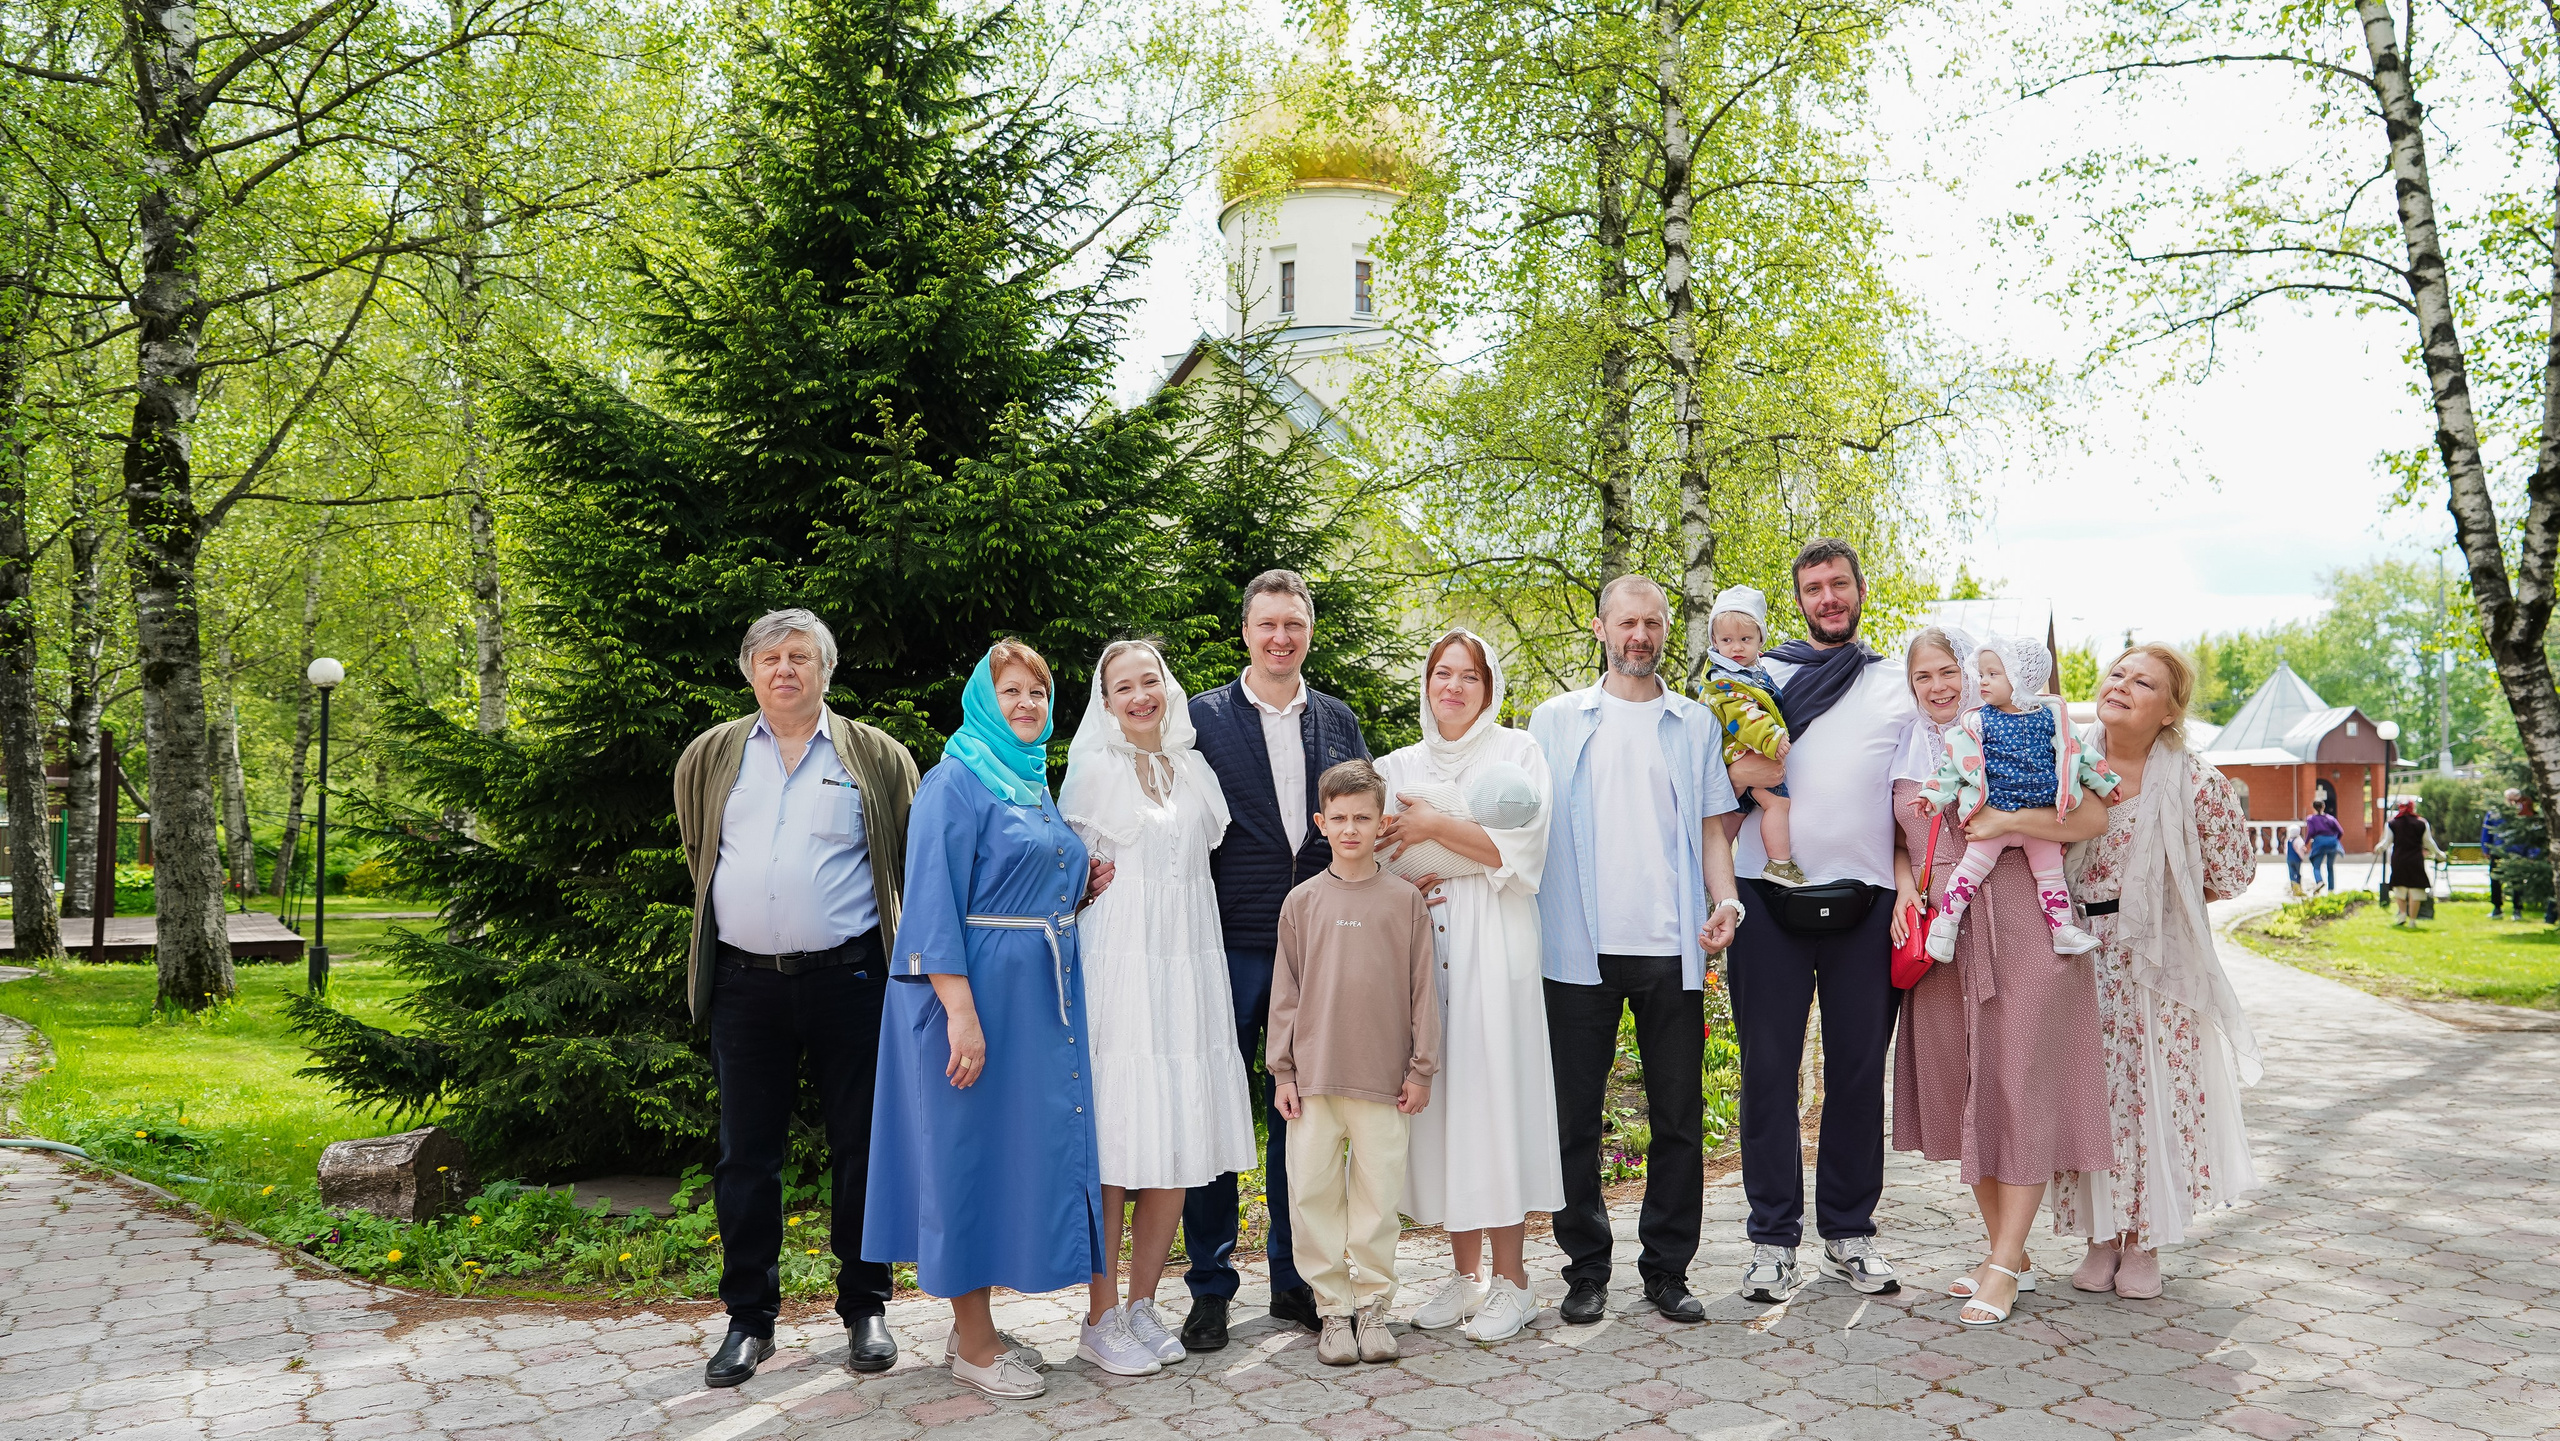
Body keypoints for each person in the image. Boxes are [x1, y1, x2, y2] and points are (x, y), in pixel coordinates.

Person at [865, 641, 1116, 1402]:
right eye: (1011, 692)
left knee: (1005, 1155)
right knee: (964, 1157)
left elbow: (1014, 880)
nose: (1027, 705)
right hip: (968, 996)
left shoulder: (1030, 782)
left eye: (1038, 693)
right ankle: (975, 1345)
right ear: (984, 699)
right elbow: (931, 902)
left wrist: (1075, 891)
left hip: (1031, 996)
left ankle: (973, 1331)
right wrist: (961, 1014)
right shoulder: (954, 780)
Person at [674, 610, 919, 1386]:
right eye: (770, 657)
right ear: (750, 670)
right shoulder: (712, 755)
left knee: (862, 1147)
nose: (785, 669)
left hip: (853, 980)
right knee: (747, 1155)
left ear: (825, 669)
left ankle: (866, 1305)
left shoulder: (874, 755)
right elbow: (700, 847)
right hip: (745, 985)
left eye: (800, 656)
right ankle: (749, 1319)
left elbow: (908, 860)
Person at [1530, 574, 1743, 1326]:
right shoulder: (1553, 720)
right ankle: (1586, 1271)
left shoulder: (1693, 723)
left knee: (1679, 1117)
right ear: (1601, 628)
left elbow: (1714, 827)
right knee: (1576, 1121)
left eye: (1652, 623)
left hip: (1670, 947)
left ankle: (1667, 1270)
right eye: (1627, 622)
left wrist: (1726, 901)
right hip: (1576, 946)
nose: (1640, 635)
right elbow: (1520, 823)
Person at [1887, 627, 2114, 1329]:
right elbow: (1899, 838)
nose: (1939, 686)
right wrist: (1905, 886)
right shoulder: (1905, 743)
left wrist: (2009, 817)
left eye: (1950, 671)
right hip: (1945, 925)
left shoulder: (2027, 726)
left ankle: (2008, 1261)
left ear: (1977, 672)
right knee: (1967, 1088)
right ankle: (2004, 1250)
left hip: (2021, 914)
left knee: (2021, 1082)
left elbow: (2094, 814)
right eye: (1923, 676)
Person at [1180, 570, 1372, 1349]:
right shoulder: (1201, 717)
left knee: (1305, 1118)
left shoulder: (1337, 719)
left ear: (1309, 632)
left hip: (1318, 947)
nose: (1280, 636)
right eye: (1267, 624)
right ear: (1246, 631)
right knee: (1218, 1112)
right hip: (1229, 943)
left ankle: (1297, 1277)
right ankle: (1210, 1286)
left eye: (1293, 623)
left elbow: (1361, 819)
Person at [1056, 639, 1259, 1373]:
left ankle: (1143, 1302)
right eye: (1124, 687)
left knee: (1176, 1136)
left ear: (1167, 690)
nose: (1140, 695)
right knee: (1116, 1143)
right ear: (1106, 701)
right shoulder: (1093, 771)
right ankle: (1100, 1314)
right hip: (1122, 965)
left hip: (1188, 964)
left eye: (1150, 681)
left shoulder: (1195, 769)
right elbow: (1069, 875)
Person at [1725, 538, 1915, 1303]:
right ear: (1798, 598)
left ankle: (1848, 1231)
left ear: (1861, 590)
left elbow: (1912, 799)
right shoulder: (1757, 675)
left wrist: (1910, 885)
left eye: (1839, 583)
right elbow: (1713, 775)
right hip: (1765, 898)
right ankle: (1773, 1241)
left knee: (1858, 1073)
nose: (1828, 597)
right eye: (1813, 587)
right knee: (1767, 1072)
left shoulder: (1895, 683)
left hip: (1867, 905)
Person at [2052, 644, 2261, 1303]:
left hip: (2157, 962)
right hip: (2077, 952)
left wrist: (2164, 900)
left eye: (2143, 682)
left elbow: (2235, 874)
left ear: (2169, 711)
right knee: (2092, 1097)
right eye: (2117, 673)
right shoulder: (2064, 760)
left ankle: (2143, 1238)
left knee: (2152, 1097)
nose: (2122, 685)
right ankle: (2099, 1235)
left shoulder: (2195, 781)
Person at [1377, 630, 1561, 1343]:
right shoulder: (1397, 765)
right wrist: (1451, 838)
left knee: (1494, 1100)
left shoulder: (1519, 753)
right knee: (1445, 1104)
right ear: (1426, 682)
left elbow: (1518, 851)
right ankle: (1465, 1277)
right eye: (1441, 673)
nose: (1453, 686)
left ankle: (1514, 1281)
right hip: (1426, 941)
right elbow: (1384, 853)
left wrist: (1432, 824)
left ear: (1489, 688)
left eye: (1469, 676)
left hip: (1496, 941)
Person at [1271, 759, 1441, 1367]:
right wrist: (1283, 1071)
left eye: (1362, 818)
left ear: (1380, 823)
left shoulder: (1404, 901)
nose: (1350, 829)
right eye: (1339, 818)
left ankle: (1372, 1306)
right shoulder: (1301, 902)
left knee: (1376, 1200)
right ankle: (1332, 1311)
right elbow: (1285, 994)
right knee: (1312, 1197)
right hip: (1314, 1081)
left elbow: (1424, 990)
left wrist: (1421, 1069)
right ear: (1321, 823)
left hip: (1384, 1081)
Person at [1913, 633, 2117, 963]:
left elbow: (2080, 755)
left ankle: (2062, 929)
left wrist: (2106, 783)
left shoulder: (2052, 719)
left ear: (2020, 680)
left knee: (2051, 875)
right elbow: (1952, 766)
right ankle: (1946, 923)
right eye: (1982, 674)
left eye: (1993, 674)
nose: (1983, 681)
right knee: (1971, 871)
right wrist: (1932, 795)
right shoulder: (1978, 721)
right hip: (1993, 812)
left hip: (2042, 817)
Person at [1701, 586, 1805, 886]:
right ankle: (1779, 863)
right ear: (1714, 641)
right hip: (1745, 751)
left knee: (1735, 813)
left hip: (1742, 752)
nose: (1736, 647)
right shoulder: (1726, 681)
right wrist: (1771, 738)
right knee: (1777, 804)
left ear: (1760, 639)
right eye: (1726, 640)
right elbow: (1744, 717)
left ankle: (1709, 868)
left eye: (1745, 639)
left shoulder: (1751, 671)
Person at [2384, 800, 2442, 926]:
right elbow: (2428, 842)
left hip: (2399, 859)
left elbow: (2387, 841)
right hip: (2415, 859)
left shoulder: (2392, 823)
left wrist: (2380, 847)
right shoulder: (2421, 823)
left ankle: (2402, 914)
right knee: (2416, 890)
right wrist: (2438, 853)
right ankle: (2412, 920)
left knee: (2399, 887)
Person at [2485, 791, 2517, 919]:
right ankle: (2497, 908)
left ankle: (2517, 909)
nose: (2512, 802)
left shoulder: (2521, 813)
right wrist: (2486, 849)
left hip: (2516, 852)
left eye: (2514, 799)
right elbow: (2487, 831)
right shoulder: (2494, 813)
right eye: (2509, 799)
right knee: (2495, 880)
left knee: (2516, 880)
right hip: (2498, 851)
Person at [2301, 802, 2343, 893]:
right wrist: (2335, 840)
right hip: (2332, 843)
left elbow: (2311, 832)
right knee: (2330, 867)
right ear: (2324, 807)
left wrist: (2306, 843)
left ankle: (2319, 881)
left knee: (2316, 866)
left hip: (2319, 843)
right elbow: (2340, 831)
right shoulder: (2330, 818)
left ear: (2313, 807)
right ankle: (2331, 890)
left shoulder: (2311, 819)